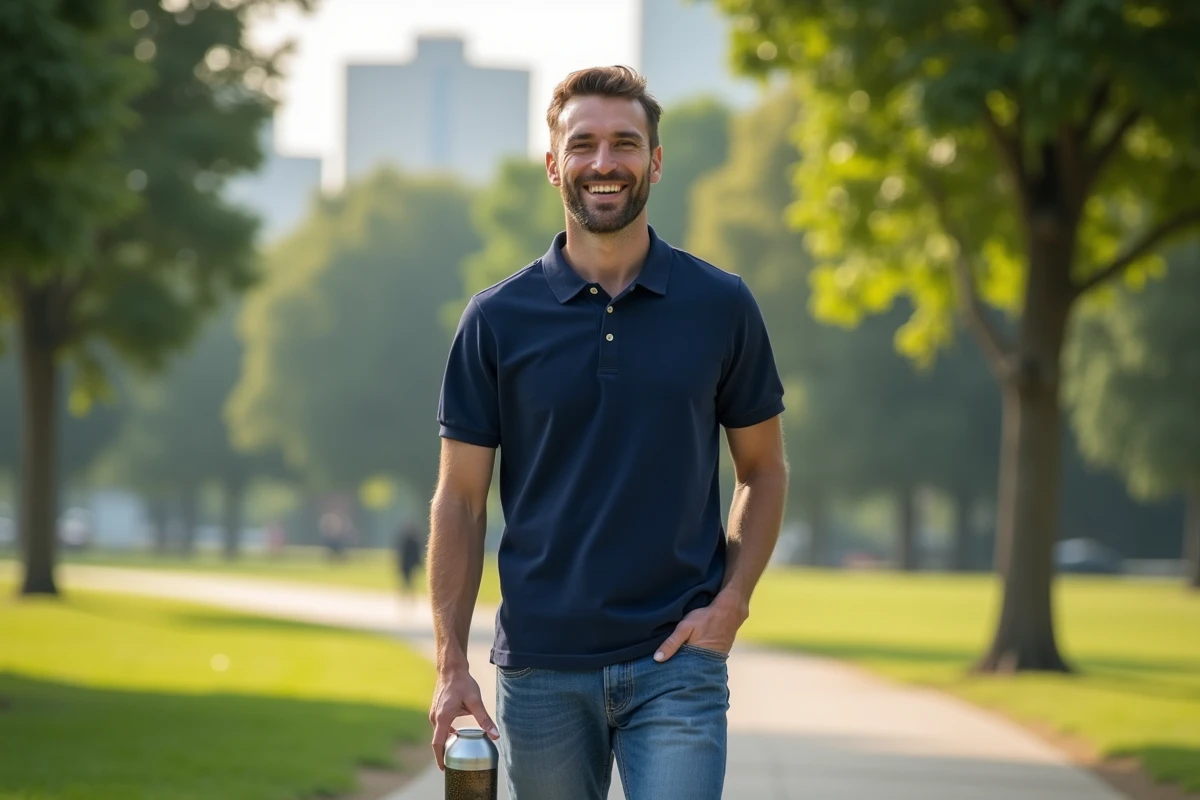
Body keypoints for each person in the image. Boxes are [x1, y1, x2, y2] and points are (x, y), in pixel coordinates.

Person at [427, 65, 788, 800]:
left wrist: (732, 602)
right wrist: (450, 662)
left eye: (625, 143)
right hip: (542, 669)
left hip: (678, 661)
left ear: (654, 161)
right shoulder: (496, 319)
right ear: (553, 163)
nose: (604, 162)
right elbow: (459, 500)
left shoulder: (721, 305)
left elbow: (763, 469)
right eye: (583, 144)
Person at [394, 519, 423, 595]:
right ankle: (407, 593)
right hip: (409, 564)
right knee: (408, 580)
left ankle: (407, 593)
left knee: (407, 580)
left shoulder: (407, 541)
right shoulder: (413, 541)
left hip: (407, 564)